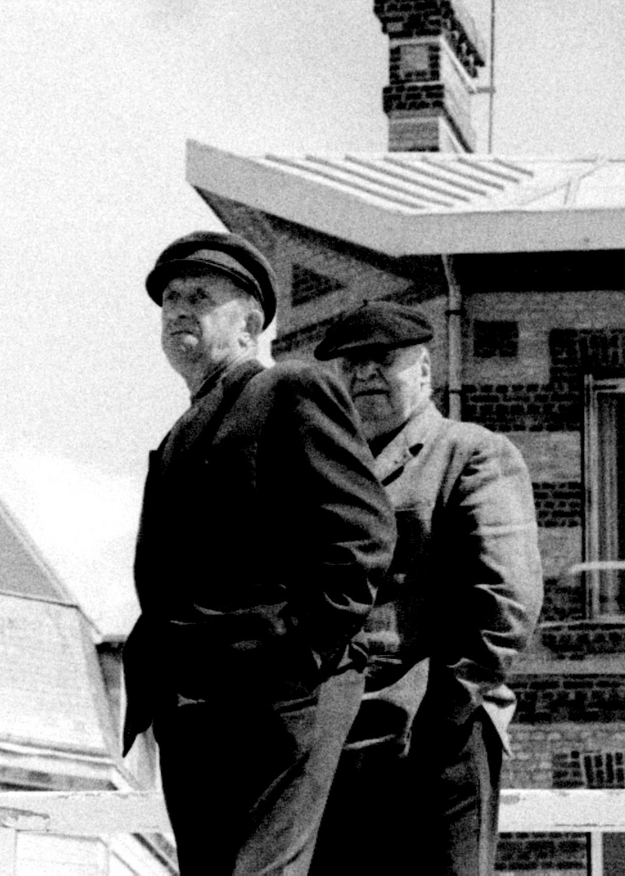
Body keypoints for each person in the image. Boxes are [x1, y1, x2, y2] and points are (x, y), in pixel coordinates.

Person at [122, 231, 395, 876]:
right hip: (196, 711)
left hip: (279, 699)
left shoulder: (289, 390)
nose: (178, 310)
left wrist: (302, 657)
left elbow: (364, 535)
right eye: (170, 301)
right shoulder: (183, 430)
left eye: (199, 297)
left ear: (249, 323)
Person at [308, 300, 543, 876]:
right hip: (335, 744)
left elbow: (507, 600)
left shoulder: (470, 453)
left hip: (436, 740)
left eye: (381, 359)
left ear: (424, 372)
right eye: (349, 364)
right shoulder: (319, 471)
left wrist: (445, 714)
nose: (364, 374)